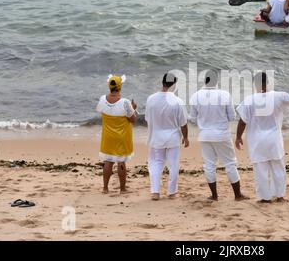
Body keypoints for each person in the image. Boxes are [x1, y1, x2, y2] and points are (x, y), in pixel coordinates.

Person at [235, 72, 289, 203]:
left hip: (257, 141)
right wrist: (288, 102)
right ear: (268, 82)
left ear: (255, 84)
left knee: (261, 170)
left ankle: (265, 198)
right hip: (274, 140)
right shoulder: (278, 96)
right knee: (278, 168)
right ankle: (280, 196)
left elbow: (242, 121)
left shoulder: (249, 100)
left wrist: (238, 137)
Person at [189, 70, 248, 201]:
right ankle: (237, 195)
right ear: (217, 82)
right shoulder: (225, 95)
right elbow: (232, 116)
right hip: (222, 134)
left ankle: (214, 196)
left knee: (209, 165)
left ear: (205, 81)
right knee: (230, 163)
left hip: (205, 135)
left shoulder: (196, 96)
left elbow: (192, 119)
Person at [145, 73, 189, 201]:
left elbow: (148, 118)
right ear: (174, 85)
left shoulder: (151, 99)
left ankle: (155, 192)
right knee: (173, 165)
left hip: (156, 136)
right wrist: (185, 138)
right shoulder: (177, 101)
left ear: (162, 82)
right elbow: (183, 123)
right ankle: (172, 192)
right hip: (173, 137)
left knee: (155, 164)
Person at [96, 74, 137, 194]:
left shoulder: (102, 99)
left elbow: (101, 111)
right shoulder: (125, 102)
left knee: (108, 161)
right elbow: (133, 119)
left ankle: (105, 188)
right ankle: (123, 189)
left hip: (108, 136)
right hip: (122, 136)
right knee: (121, 162)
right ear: (120, 87)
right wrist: (133, 108)